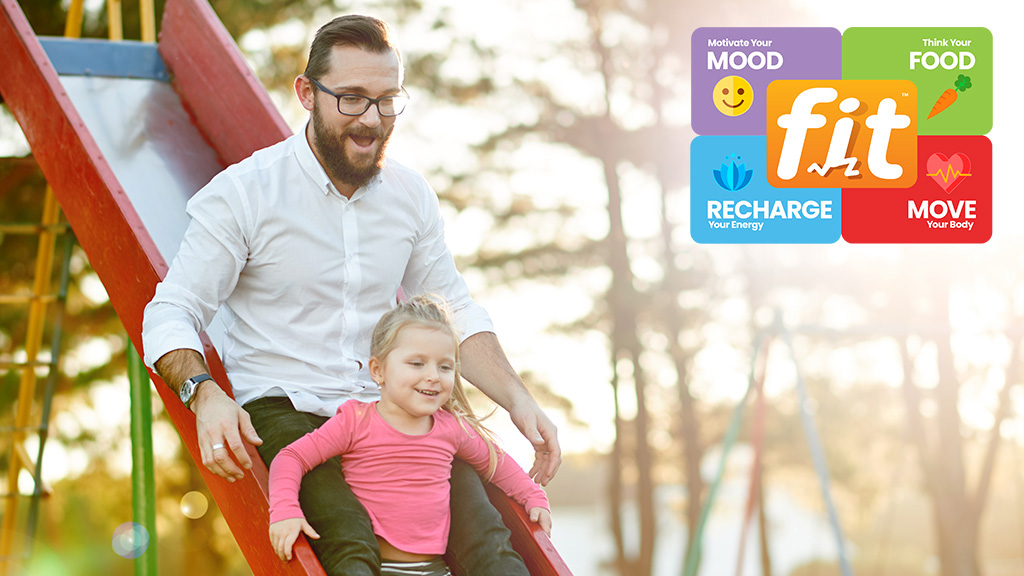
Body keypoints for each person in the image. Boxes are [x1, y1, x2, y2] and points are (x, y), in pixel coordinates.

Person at [141, 13, 560, 576]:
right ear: (306, 94)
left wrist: (517, 397)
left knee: (487, 538)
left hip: (390, 404)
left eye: (388, 101)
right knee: (348, 539)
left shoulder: (410, 197)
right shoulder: (244, 194)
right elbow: (172, 308)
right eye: (353, 99)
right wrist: (205, 393)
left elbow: (454, 307)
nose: (372, 119)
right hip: (284, 406)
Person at [268, 296, 552, 576]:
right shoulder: (355, 421)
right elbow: (291, 457)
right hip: (378, 567)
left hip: (435, 569)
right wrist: (285, 510)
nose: (433, 376)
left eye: (445, 366)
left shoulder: (451, 428)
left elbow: (496, 463)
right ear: (378, 371)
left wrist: (534, 496)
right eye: (417, 363)